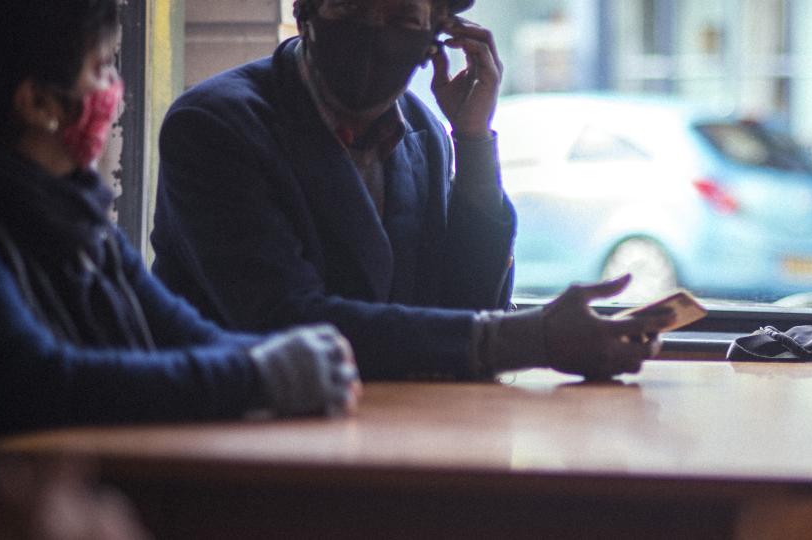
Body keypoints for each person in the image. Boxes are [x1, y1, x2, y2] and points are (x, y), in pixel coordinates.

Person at [0, 0, 362, 534]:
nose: (115, 90)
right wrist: (259, 376)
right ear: (37, 101)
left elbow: (177, 330)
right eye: (102, 67)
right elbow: (37, 380)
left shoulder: (74, 210)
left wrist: (287, 359)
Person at [149, 0, 670, 382]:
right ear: (305, 12)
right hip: (242, 437)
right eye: (350, 10)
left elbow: (461, 305)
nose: (374, 32)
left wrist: (472, 141)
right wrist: (532, 339)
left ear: (438, 37)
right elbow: (286, 321)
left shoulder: (422, 131)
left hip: (390, 427)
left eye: (401, 18)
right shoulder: (217, 125)